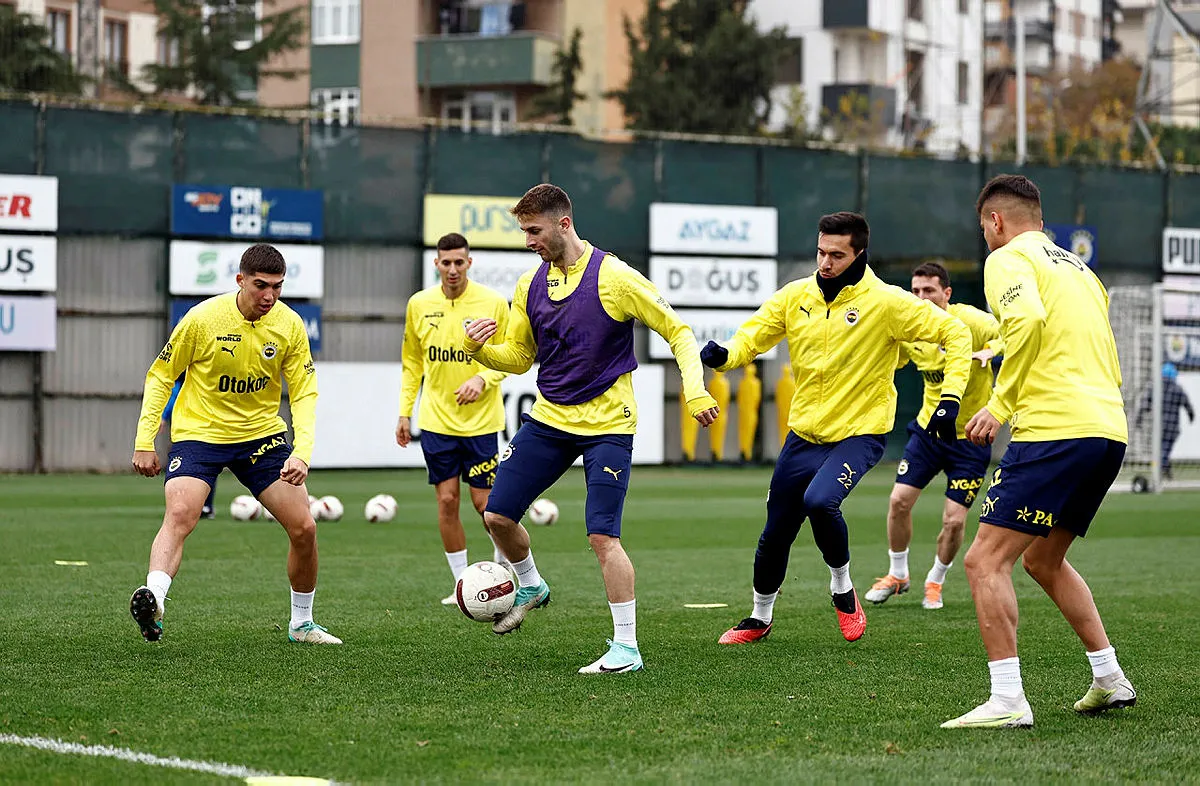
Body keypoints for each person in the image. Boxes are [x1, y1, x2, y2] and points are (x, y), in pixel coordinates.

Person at [462, 183, 719, 674]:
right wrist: (479, 351)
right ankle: (531, 584)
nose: (528, 241)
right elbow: (519, 357)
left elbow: (679, 332)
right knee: (497, 516)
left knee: (603, 538)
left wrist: (695, 390)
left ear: (564, 224)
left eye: (534, 231)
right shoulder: (530, 284)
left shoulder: (614, 276)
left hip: (608, 426)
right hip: (549, 420)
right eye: (523, 232)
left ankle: (626, 648)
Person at [702, 212, 973, 645]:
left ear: (859, 253)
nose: (825, 262)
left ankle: (843, 589)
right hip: (805, 434)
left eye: (837, 255)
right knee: (776, 531)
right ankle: (759, 617)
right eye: (821, 252)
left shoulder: (887, 302)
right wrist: (725, 356)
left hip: (860, 433)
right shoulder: (796, 295)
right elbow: (751, 337)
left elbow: (956, 334)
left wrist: (951, 398)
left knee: (820, 500)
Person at [943, 174, 1134, 729]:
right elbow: (1080, 340)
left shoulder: (1006, 258)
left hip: (1054, 430)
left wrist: (999, 404)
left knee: (983, 560)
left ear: (996, 221)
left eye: (983, 228)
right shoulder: (1080, 270)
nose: (985, 237)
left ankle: (1007, 701)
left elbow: (1026, 319)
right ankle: (1109, 678)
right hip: (1106, 430)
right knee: (1043, 559)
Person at [129, 243, 340, 645]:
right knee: (181, 513)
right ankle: (153, 599)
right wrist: (144, 439)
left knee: (304, 528)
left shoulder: (289, 325)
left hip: (260, 437)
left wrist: (302, 452)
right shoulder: (202, 319)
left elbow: (304, 391)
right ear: (240, 280)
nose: (270, 296)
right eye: (261, 285)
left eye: (277, 286)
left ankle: (302, 623)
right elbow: (161, 375)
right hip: (201, 433)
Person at [865, 261, 1002, 611]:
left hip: (970, 438)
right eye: (915, 291)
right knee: (898, 501)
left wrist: (992, 350)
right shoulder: (913, 328)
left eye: (929, 290)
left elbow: (1010, 332)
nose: (921, 297)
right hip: (928, 432)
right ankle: (898, 574)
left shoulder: (970, 321)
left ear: (947, 293)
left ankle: (935, 581)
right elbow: (888, 349)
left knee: (953, 521)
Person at [396, 232, 512, 605]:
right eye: (445, 262)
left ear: (469, 263)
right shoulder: (419, 304)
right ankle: (463, 584)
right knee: (447, 501)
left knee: (486, 506)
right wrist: (404, 411)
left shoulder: (493, 303)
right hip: (436, 421)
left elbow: (512, 355)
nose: (452, 269)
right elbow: (412, 362)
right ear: (436, 264)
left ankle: (503, 573)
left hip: (481, 423)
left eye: (459, 262)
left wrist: (483, 379)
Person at [161, 374, 217, 519]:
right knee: (194, 464)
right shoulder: (183, 372)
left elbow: (174, 391)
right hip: (189, 426)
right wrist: (164, 416)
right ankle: (195, 505)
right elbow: (174, 390)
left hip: (200, 425)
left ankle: (202, 505)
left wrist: (164, 416)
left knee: (204, 464)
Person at [1135, 362, 1194, 480]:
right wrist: (1191, 416)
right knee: (1165, 448)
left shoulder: (1155, 387)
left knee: (1161, 448)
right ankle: (1164, 469)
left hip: (1158, 426)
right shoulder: (1177, 388)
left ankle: (1164, 469)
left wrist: (1139, 418)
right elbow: (1187, 404)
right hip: (1173, 426)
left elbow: (1145, 403)